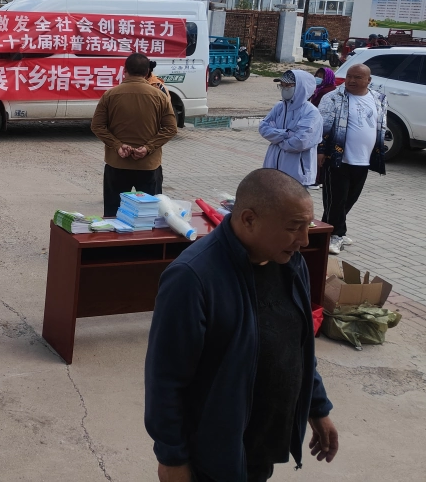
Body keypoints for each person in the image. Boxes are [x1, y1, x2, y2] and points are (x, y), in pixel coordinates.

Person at [145, 168, 338, 482]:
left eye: (307, 227)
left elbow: (298, 346)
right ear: (249, 219)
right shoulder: (193, 278)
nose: (304, 240)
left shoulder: (291, 264)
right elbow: (165, 379)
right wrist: (171, 458)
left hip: (264, 446)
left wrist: (317, 407)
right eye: (294, 228)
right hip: (213, 456)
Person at [90, 52, 177, 217]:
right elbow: (171, 128)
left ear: (125, 70)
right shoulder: (159, 96)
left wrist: (117, 145)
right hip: (148, 165)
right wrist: (148, 148)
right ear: (147, 72)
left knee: (113, 214)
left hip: (117, 164)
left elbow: (97, 126)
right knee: (149, 216)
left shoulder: (110, 95)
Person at [317, 63, 387, 255]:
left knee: (349, 199)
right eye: (349, 76)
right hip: (337, 158)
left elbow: (380, 124)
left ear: (368, 80)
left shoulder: (378, 99)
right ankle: (336, 235)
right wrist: (320, 150)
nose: (351, 80)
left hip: (363, 159)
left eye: (357, 77)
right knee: (335, 199)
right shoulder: (333, 97)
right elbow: (323, 126)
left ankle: (328, 231)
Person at [258, 70, 322, 186]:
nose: (284, 89)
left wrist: (276, 138)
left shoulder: (311, 112)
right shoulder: (279, 107)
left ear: (301, 88)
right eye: (281, 85)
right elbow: (263, 128)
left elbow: (300, 142)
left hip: (296, 174)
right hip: (272, 169)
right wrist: (287, 133)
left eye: (288, 85)